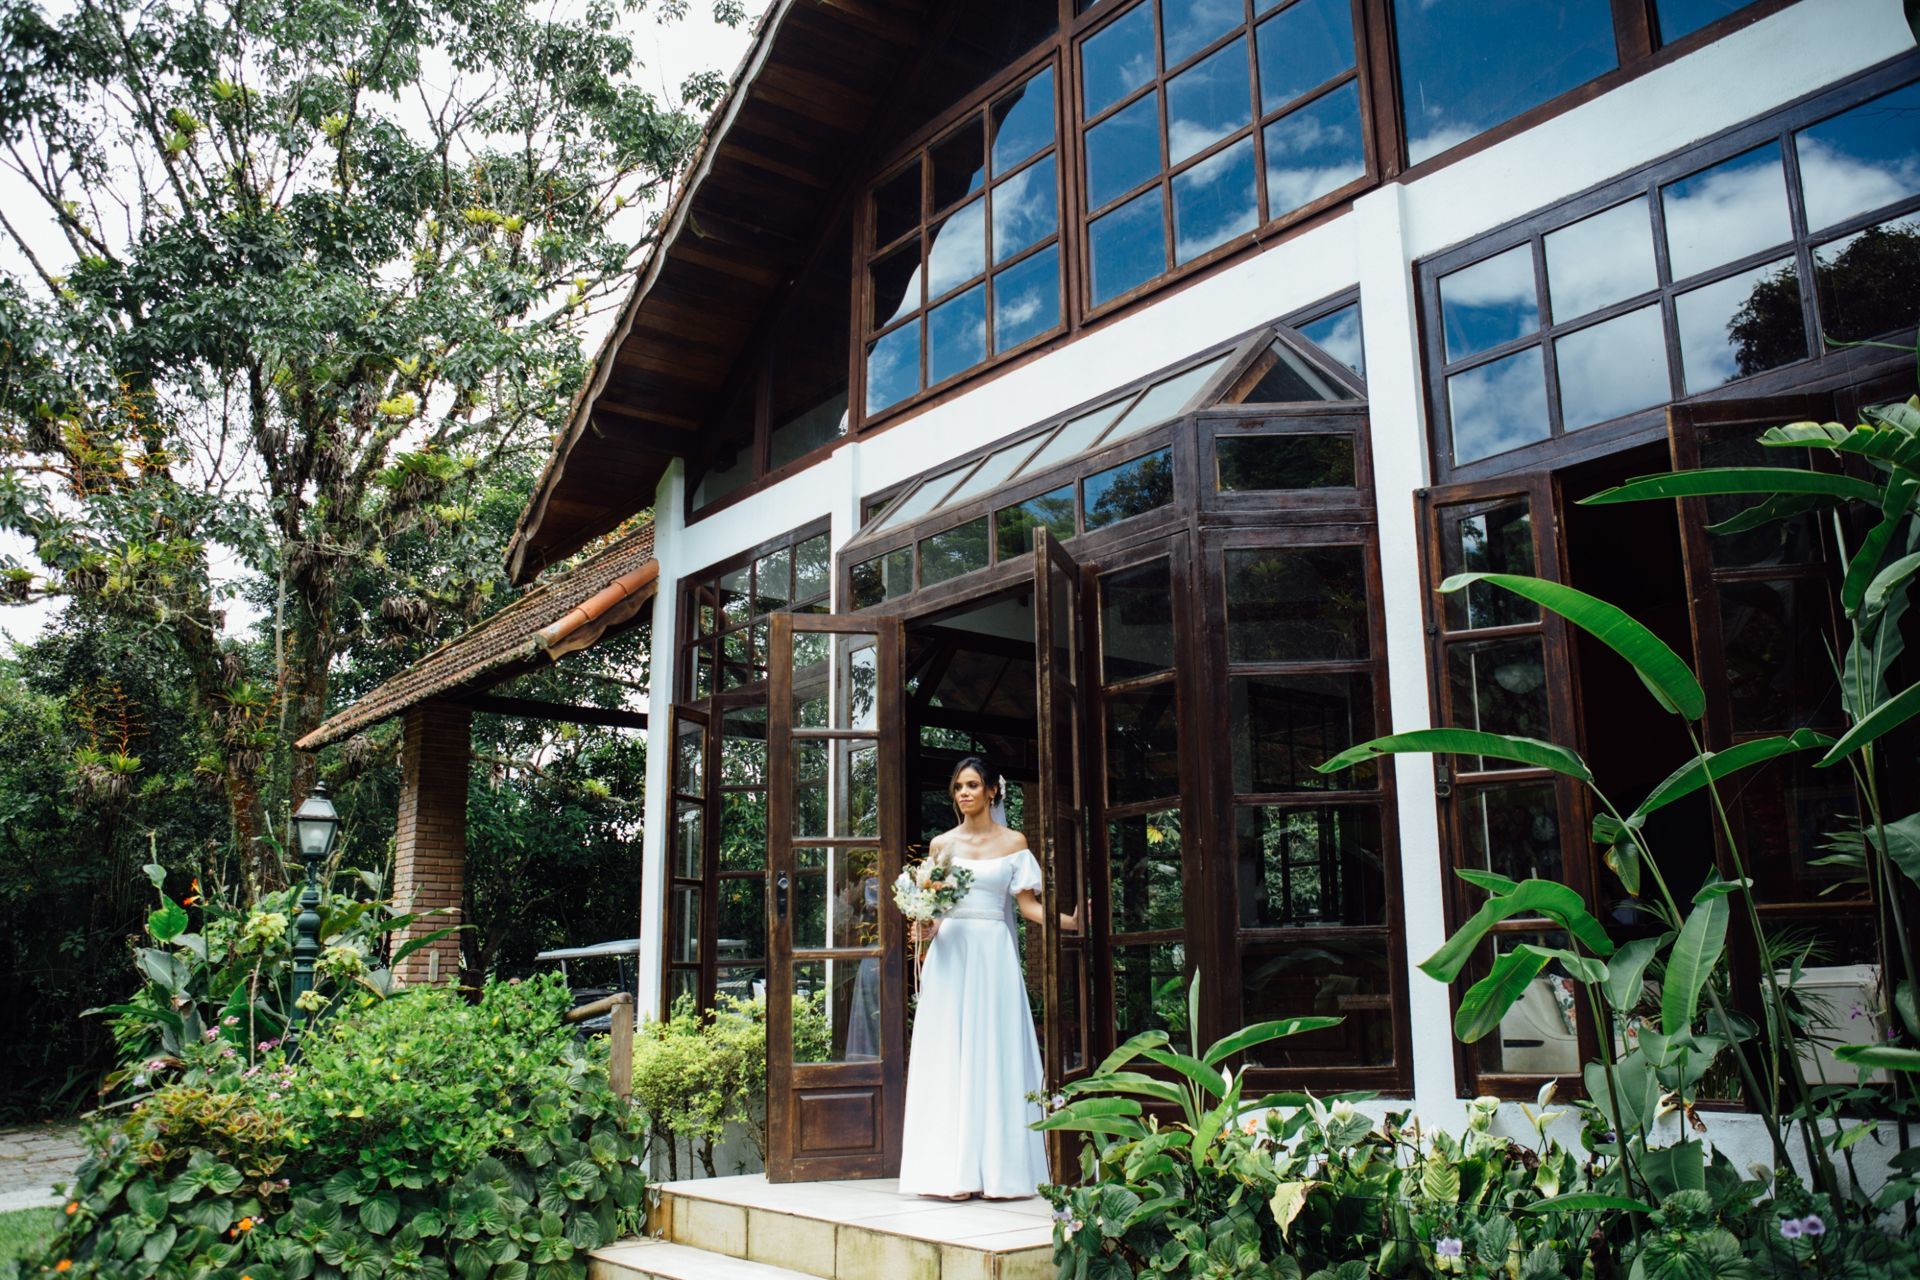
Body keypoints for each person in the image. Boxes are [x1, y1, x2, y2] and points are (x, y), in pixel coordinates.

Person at [896, 757, 1081, 1201]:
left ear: (991, 791)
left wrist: (1072, 922)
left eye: (973, 785)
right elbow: (937, 909)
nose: (964, 793)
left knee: (994, 1051)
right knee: (949, 1053)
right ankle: (950, 1175)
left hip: (993, 953)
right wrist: (925, 925)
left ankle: (1000, 1172)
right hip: (951, 954)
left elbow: (1029, 907)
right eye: (959, 786)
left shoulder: (1014, 842)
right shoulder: (942, 844)